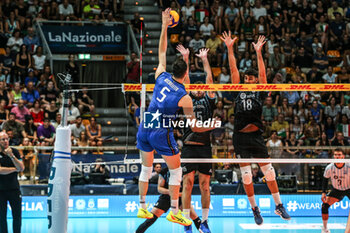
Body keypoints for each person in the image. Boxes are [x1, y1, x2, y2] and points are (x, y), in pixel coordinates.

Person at [136, 8, 215, 227]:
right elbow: (193, 126)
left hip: (146, 123)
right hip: (162, 129)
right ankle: (173, 211)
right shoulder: (184, 96)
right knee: (176, 171)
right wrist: (210, 125)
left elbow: (161, 50)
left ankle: (142, 207)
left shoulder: (161, 74)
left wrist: (164, 25)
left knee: (146, 168)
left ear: (173, 69)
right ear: (186, 72)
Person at [222, 31, 290, 225]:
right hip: (240, 138)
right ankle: (254, 209)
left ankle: (278, 205)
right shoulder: (238, 91)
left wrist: (259, 52)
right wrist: (229, 48)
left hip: (257, 137)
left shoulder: (259, 92)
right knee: (245, 175)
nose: (248, 81)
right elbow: (233, 69)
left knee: (269, 173)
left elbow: (262, 75)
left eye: (250, 79)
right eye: (246, 79)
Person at [178, 46, 215, 233]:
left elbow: (209, 79)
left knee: (205, 186)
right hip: (189, 147)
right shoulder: (187, 99)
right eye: (196, 88)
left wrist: (204, 59)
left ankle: (205, 221)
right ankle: (186, 222)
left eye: (202, 88)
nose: (199, 90)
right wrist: (185, 58)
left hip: (205, 147)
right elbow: (185, 79)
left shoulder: (209, 99)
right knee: (187, 184)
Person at [135, 166, 202, 233]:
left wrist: (177, 194)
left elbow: (187, 190)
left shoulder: (185, 170)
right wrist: (172, 193)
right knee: (151, 219)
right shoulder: (164, 171)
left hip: (181, 198)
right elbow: (159, 188)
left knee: (195, 218)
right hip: (166, 197)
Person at [0, 131, 25, 233]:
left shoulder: (14, 151)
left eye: (7, 139)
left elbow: (22, 168)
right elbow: (0, 170)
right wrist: (15, 169)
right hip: (0, 190)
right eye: (3, 139)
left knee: (17, 217)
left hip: (14, 189)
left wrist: (11, 156)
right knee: (1, 218)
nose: (6, 141)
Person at [321, 148, 350, 233]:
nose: (337, 157)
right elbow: (325, 180)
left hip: (349, 189)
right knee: (324, 206)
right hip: (336, 190)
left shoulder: (349, 166)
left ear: (343, 156)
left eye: (339, 155)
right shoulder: (329, 167)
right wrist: (323, 193)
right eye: (336, 155)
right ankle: (325, 228)